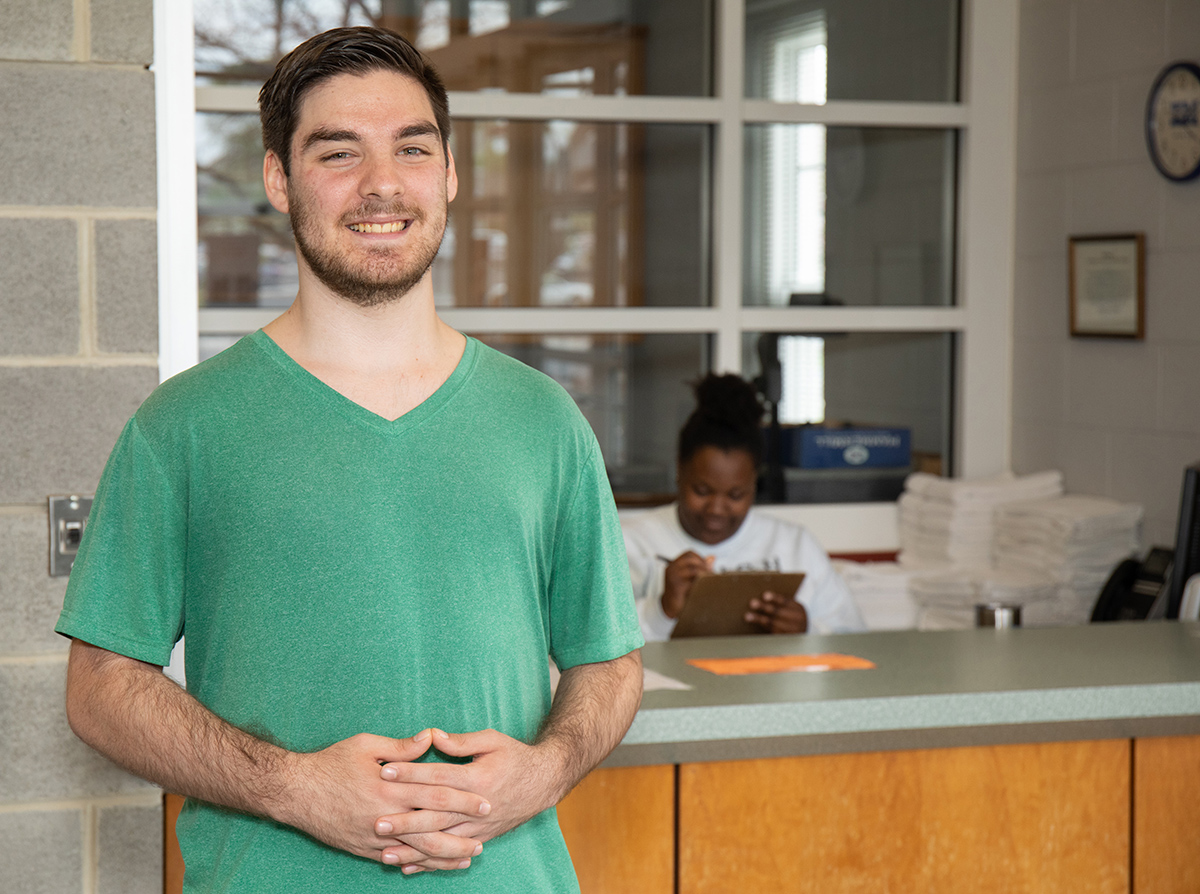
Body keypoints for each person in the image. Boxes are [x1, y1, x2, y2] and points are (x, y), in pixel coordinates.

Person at [55, 26, 643, 894]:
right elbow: (100, 688)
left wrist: (546, 770)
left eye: (412, 147)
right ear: (278, 179)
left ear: (448, 175)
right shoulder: (182, 426)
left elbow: (610, 663)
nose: (382, 184)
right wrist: (293, 789)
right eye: (339, 152)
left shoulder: (543, 419)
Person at [623, 373, 865, 641]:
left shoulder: (793, 544)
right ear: (679, 470)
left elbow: (854, 637)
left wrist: (806, 630)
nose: (716, 509)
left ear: (754, 484)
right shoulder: (631, 542)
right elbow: (591, 649)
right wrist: (662, 610)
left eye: (736, 495)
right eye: (701, 491)